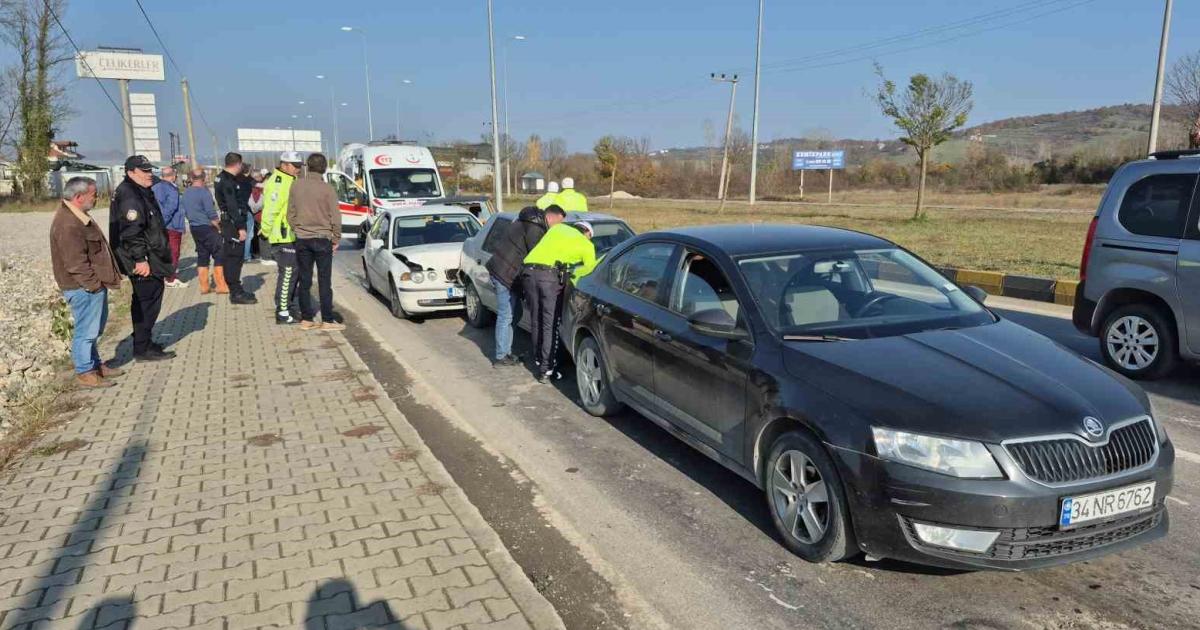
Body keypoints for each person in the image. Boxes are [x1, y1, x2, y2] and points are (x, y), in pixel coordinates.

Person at [50, 177, 123, 387]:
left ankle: (95, 365)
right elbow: (75, 263)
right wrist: (94, 285)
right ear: (78, 197)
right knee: (86, 331)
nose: (97, 197)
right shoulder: (68, 224)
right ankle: (85, 372)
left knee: (94, 329)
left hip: (89, 286)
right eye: (94, 194)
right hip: (83, 288)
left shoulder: (77, 216)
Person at [109, 155, 176, 362]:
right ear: (131, 172)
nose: (149, 174)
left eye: (150, 170)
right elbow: (131, 232)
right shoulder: (130, 195)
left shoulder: (139, 190)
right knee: (146, 303)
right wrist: (140, 259)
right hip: (143, 259)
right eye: (144, 171)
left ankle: (144, 341)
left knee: (147, 303)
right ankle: (142, 348)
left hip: (150, 255)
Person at [521, 207, 597, 382]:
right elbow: (588, 272)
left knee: (536, 320)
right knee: (550, 324)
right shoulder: (587, 244)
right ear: (587, 233)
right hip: (548, 278)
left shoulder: (557, 229)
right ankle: (546, 370)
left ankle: (539, 360)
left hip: (528, 273)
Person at [484, 205, 549, 367]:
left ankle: (506, 352)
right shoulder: (534, 229)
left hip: (503, 271)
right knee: (506, 315)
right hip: (504, 274)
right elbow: (537, 255)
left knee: (515, 313)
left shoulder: (521, 222)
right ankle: (500, 357)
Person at [288, 152, 345, 331]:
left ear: (307, 166)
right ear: (324, 168)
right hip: (322, 239)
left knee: (304, 280)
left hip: (302, 238)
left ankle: (306, 319)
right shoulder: (327, 189)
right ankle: (327, 320)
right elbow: (336, 216)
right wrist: (336, 237)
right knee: (324, 280)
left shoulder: (296, 186)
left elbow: (290, 213)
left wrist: (297, 228)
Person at [261, 151, 303, 324]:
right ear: (284, 164)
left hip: (291, 235)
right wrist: (265, 231)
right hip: (282, 236)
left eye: (300, 166)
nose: (298, 169)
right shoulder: (279, 182)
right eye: (295, 166)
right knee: (287, 273)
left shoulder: (290, 180)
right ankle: (282, 312)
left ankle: (291, 306)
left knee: (294, 273)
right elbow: (271, 209)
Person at [214, 152, 256, 304]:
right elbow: (232, 206)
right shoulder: (228, 181)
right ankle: (235, 292)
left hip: (229, 222)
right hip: (232, 223)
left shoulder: (221, 177)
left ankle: (236, 289)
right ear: (238, 164)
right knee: (234, 257)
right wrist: (241, 227)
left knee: (233, 256)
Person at [182, 168, 226, 295]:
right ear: (204, 178)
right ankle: (221, 285)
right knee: (219, 254)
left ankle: (204, 286)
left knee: (202, 255)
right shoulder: (204, 192)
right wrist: (219, 227)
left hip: (194, 228)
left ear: (191, 178)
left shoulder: (186, 193)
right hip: (207, 227)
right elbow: (211, 213)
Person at [152, 166, 187, 288]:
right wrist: (164, 222)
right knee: (174, 252)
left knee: (163, 252)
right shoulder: (171, 189)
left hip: (162, 225)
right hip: (173, 225)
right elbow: (171, 208)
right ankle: (171, 278)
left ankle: (164, 275)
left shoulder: (155, 187)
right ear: (173, 176)